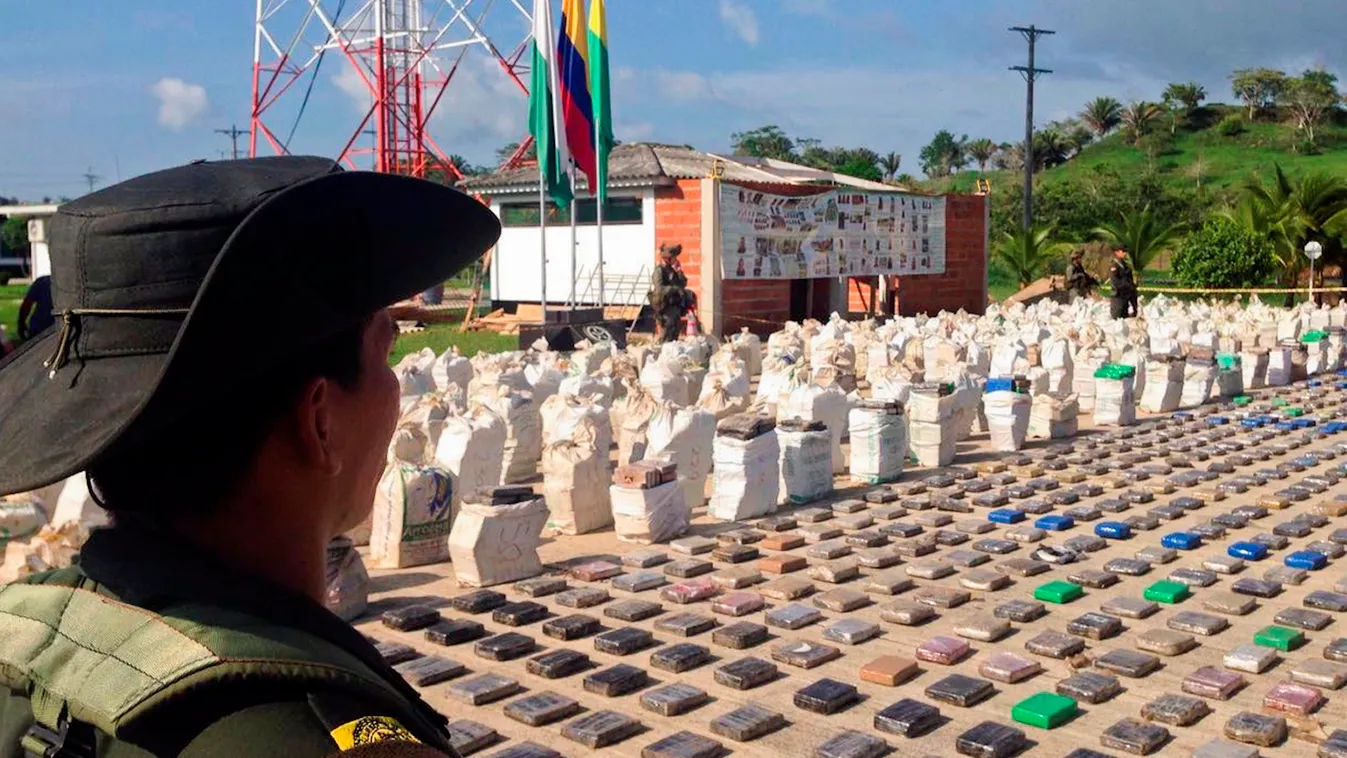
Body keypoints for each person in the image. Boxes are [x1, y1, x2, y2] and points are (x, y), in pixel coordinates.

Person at [0, 157, 500, 757]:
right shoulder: (318, 736)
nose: (396, 391)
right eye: (385, 352)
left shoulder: (22, 648)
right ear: (319, 421)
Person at [650, 243, 688, 342]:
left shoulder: (673, 270)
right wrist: (674, 289)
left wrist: (679, 272)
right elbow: (659, 289)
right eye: (674, 258)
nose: (676, 260)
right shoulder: (659, 271)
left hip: (674, 307)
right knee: (666, 334)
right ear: (668, 259)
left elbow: (683, 284)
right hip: (664, 308)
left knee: (675, 332)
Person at [16, 273, 54, 340]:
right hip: (43, 328)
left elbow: (27, 304)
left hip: (40, 328)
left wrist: (21, 323)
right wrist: (21, 323)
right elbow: (27, 304)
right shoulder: (42, 282)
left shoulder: (42, 281)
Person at [1108, 247, 1139, 318]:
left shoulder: (1126, 266)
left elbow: (1130, 282)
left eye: (1125, 251)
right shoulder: (1114, 266)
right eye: (1123, 251)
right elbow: (1115, 282)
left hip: (1126, 299)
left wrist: (1134, 306)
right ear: (1117, 252)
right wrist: (1128, 285)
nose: (1125, 253)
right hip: (1118, 299)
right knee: (1117, 322)